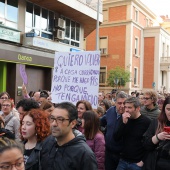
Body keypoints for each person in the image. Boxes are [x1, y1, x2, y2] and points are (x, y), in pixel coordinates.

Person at [46, 102, 98, 170]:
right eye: (52, 118)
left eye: (60, 119)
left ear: (73, 123)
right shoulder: (47, 143)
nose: (54, 124)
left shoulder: (84, 154)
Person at [114, 97, 151, 170]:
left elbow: (149, 144)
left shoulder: (146, 122)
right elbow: (116, 138)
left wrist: (143, 161)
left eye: (130, 107)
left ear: (137, 108)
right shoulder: (124, 119)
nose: (126, 110)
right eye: (126, 107)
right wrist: (123, 123)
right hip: (123, 160)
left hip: (137, 163)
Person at [100, 91, 128, 170]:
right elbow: (101, 122)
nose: (122, 106)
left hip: (122, 155)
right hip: (109, 152)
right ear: (115, 102)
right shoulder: (110, 111)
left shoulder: (130, 115)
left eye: (124, 103)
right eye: (119, 103)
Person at [143, 96, 170, 170]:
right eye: (168, 109)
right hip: (155, 164)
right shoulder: (156, 122)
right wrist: (158, 137)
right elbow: (146, 145)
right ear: (164, 109)